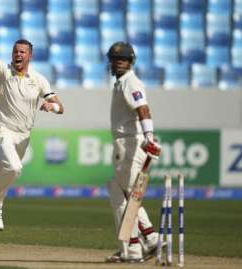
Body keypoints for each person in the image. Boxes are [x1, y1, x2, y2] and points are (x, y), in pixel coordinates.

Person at [0, 9, 64, 246]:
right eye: (15, 51)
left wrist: (53, 107)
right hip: (1, 129)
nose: (18, 55)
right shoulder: (3, 72)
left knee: (2, 173)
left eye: (22, 52)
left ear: (30, 56)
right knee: (14, 167)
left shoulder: (39, 80)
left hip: (23, 135)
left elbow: (61, 106)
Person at [104, 42, 162, 263]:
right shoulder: (121, 83)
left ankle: (140, 245)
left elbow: (143, 109)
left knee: (129, 196)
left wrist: (149, 136)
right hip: (125, 143)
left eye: (123, 59)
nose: (118, 63)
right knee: (119, 192)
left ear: (131, 61)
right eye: (115, 59)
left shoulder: (131, 82)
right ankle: (143, 243)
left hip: (130, 144)